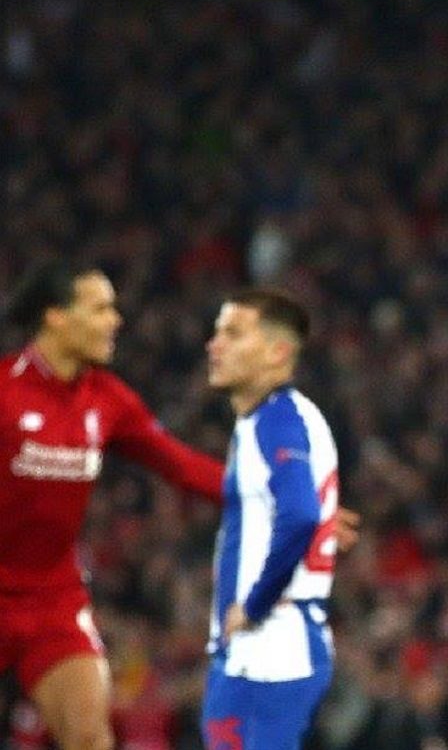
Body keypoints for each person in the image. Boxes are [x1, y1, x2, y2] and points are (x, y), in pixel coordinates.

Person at [0, 263, 357, 750]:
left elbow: (181, 466)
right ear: (56, 317)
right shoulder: (6, 391)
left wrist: (279, 501)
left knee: (89, 738)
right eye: (100, 309)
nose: (115, 320)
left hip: (53, 600)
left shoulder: (108, 400)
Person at [200, 289, 340, 749]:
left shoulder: (277, 421)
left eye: (233, 334)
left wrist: (255, 604)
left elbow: (300, 514)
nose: (214, 345)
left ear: (277, 353)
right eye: (217, 332)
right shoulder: (273, 420)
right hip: (259, 651)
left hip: (272, 649)